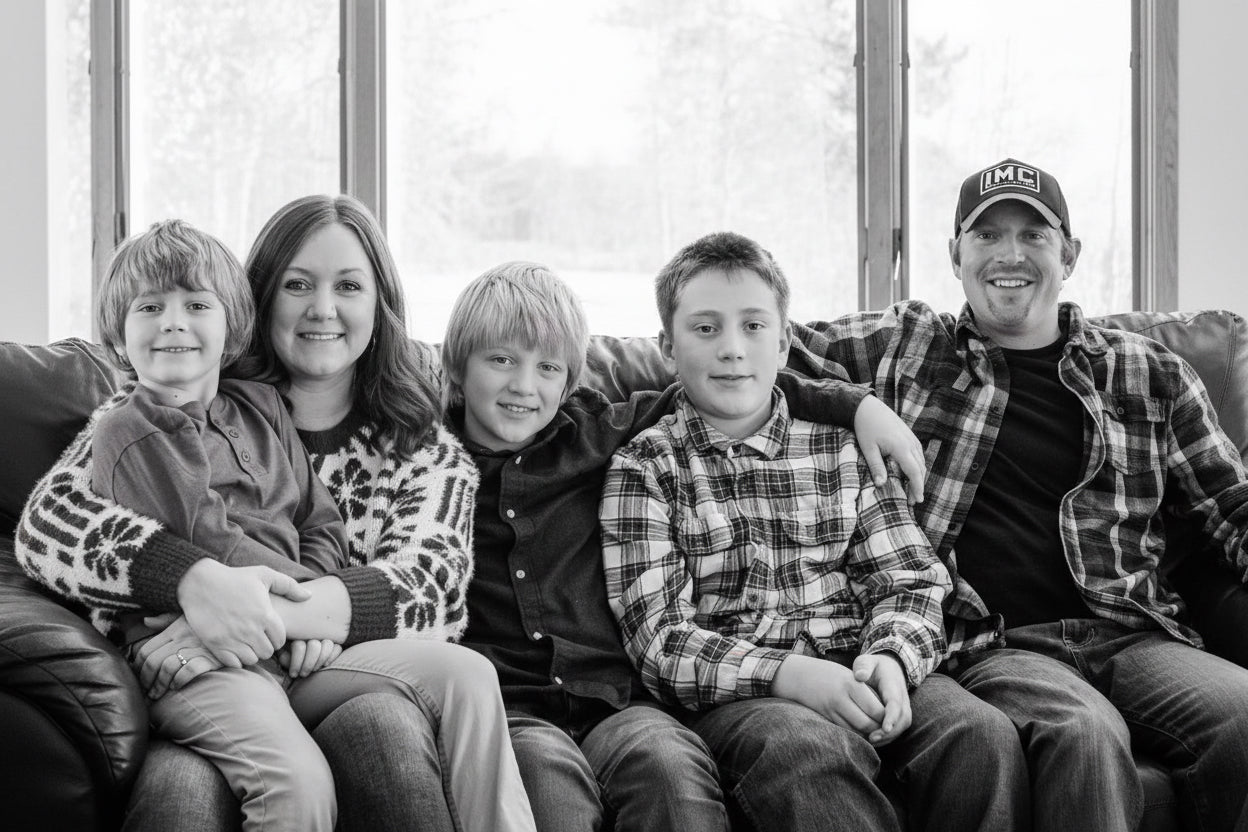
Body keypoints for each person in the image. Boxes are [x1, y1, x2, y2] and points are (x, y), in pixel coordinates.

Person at [17, 195, 535, 832]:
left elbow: (431, 593)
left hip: (312, 665)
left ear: (382, 305)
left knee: (458, 684)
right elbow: (50, 523)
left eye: (348, 285)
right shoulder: (147, 414)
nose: (323, 308)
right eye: (298, 285)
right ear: (261, 300)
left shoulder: (420, 450)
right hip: (199, 681)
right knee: (184, 790)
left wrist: (276, 612)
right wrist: (190, 582)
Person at [784, 158, 1248, 831]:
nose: (1010, 254)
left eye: (1034, 235)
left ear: (1070, 254)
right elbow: (753, 351)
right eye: (987, 235)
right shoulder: (908, 345)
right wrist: (858, 404)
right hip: (997, 642)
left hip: (1131, 634)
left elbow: (1230, 507)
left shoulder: (1146, 369)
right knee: (1084, 734)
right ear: (954, 256)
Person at [440, 261, 930, 832]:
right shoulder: (427, 462)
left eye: (548, 366)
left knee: (670, 772)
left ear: (571, 379)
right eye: (500, 360)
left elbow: (732, 387)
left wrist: (856, 404)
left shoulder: (594, 432)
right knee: (552, 793)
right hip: (512, 710)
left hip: (615, 704)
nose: (524, 386)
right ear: (456, 363)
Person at [599, 231, 1027, 832]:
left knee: (978, 734)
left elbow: (907, 579)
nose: (731, 349)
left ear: (783, 343)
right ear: (668, 347)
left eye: (753, 326)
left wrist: (892, 659)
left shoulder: (845, 446)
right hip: (748, 694)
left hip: (861, 660)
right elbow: (659, 640)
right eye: (705, 329)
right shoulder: (647, 467)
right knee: (807, 750)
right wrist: (789, 675)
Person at [91, 218, 350, 832]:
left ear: (231, 325)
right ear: (118, 331)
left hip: (288, 644)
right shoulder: (129, 429)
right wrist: (309, 612)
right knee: (298, 785)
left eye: (196, 304)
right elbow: (216, 545)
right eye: (149, 306)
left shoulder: (261, 407)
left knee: (463, 677)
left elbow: (323, 520)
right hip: (196, 662)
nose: (173, 321)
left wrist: (308, 610)